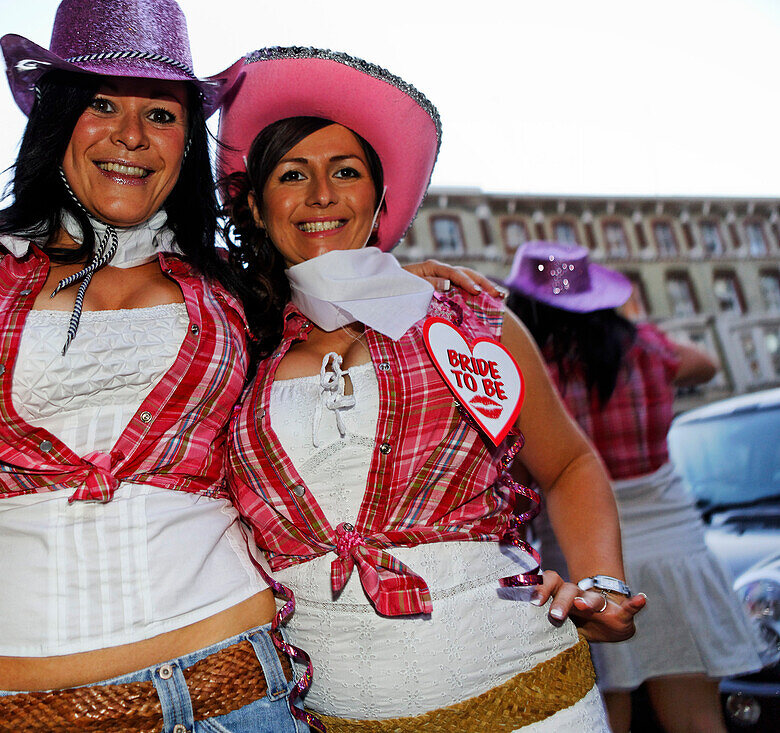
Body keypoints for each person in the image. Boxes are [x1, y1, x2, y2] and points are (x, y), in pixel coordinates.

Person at [216, 47, 648, 731]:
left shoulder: (472, 320)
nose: (322, 194)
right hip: (332, 714)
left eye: (346, 171)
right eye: (293, 174)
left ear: (380, 197)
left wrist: (601, 582)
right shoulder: (231, 347)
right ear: (258, 204)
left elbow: (569, 464)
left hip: (531, 696)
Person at [506, 241, 767, 733]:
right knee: (696, 720)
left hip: (584, 563)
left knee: (603, 718)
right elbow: (706, 364)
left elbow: (525, 482)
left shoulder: (524, 375)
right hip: (679, 555)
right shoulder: (646, 349)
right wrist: (635, 331)